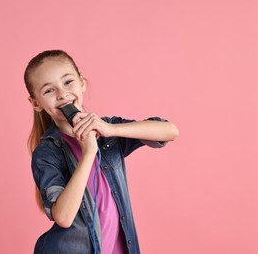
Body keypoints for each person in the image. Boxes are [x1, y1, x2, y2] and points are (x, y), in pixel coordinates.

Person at [24, 50, 179, 254]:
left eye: (68, 82)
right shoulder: (47, 153)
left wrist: (112, 129)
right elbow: (63, 217)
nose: (62, 94)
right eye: (49, 91)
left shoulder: (108, 132)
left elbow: (169, 131)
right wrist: (88, 154)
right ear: (36, 103)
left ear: (82, 83)